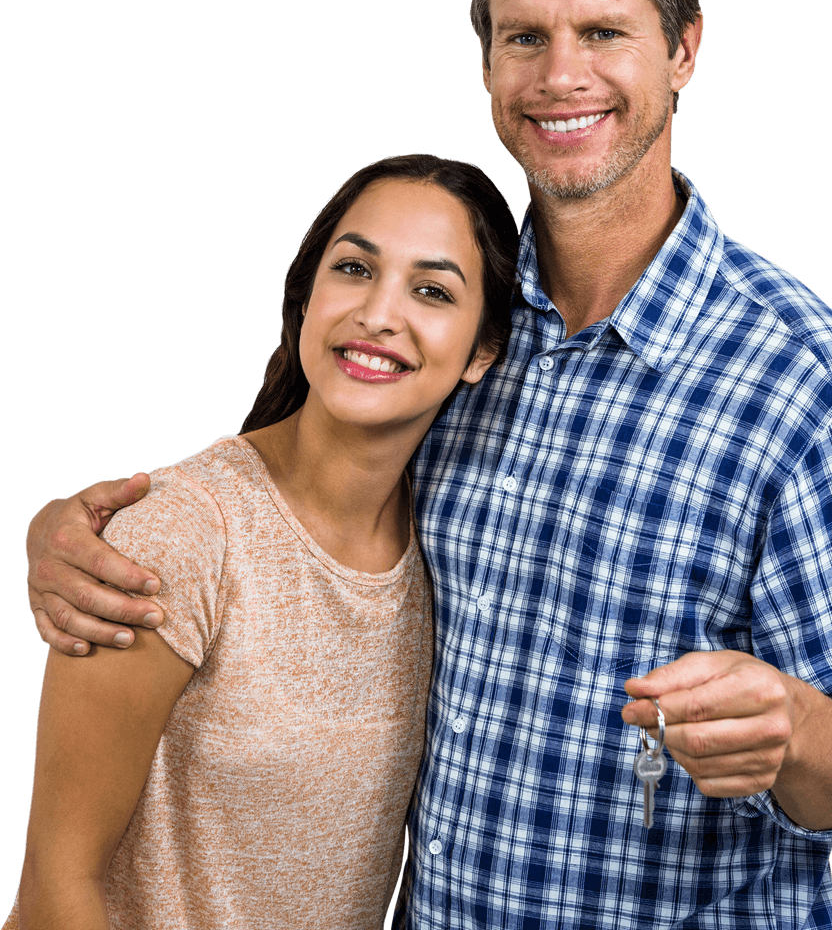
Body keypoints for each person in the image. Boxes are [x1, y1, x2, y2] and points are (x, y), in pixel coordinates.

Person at [23, 0, 832, 928]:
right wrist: (77, 535)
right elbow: (284, 510)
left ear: (684, 48)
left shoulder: (810, 382)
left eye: (603, 32)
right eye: (525, 37)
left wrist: (794, 727)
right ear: (486, 63)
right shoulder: (452, 334)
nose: (562, 75)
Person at [6, 153, 519, 930]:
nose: (379, 314)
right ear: (306, 295)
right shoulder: (186, 535)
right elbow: (54, 892)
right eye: (354, 268)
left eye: (432, 290)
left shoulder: (448, 550)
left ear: (482, 350)